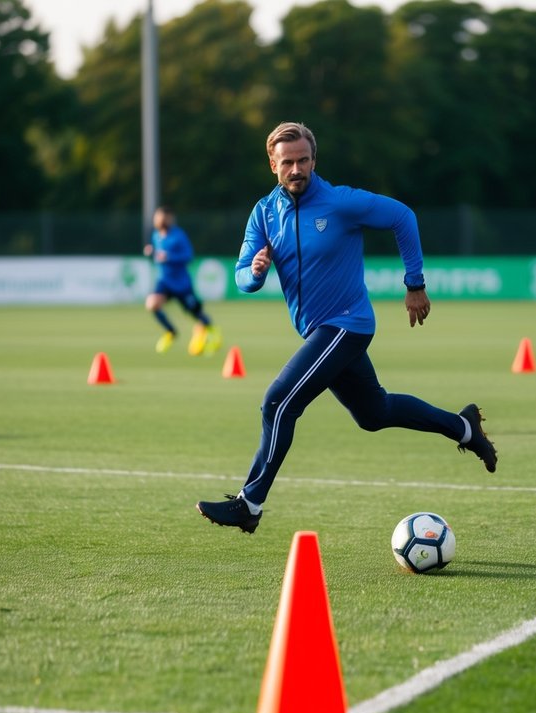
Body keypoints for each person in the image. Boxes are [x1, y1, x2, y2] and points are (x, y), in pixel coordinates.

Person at [196, 122, 496, 534]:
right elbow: (243, 276)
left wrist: (415, 284)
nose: (297, 169)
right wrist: (256, 271)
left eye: (303, 160)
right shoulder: (264, 213)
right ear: (273, 164)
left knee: (278, 403)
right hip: (320, 333)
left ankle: (250, 504)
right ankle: (464, 428)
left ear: (314, 160)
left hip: (347, 324)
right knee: (374, 413)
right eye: (288, 162)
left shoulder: (340, 202)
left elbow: (402, 217)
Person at [143, 206, 222, 356]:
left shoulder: (178, 235)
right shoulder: (156, 236)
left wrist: (169, 257)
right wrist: (151, 252)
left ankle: (213, 332)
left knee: (195, 313)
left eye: (162, 218)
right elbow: (158, 255)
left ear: (168, 219)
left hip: (181, 283)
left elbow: (188, 256)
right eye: (157, 218)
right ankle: (171, 332)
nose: (159, 221)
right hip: (164, 281)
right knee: (152, 303)